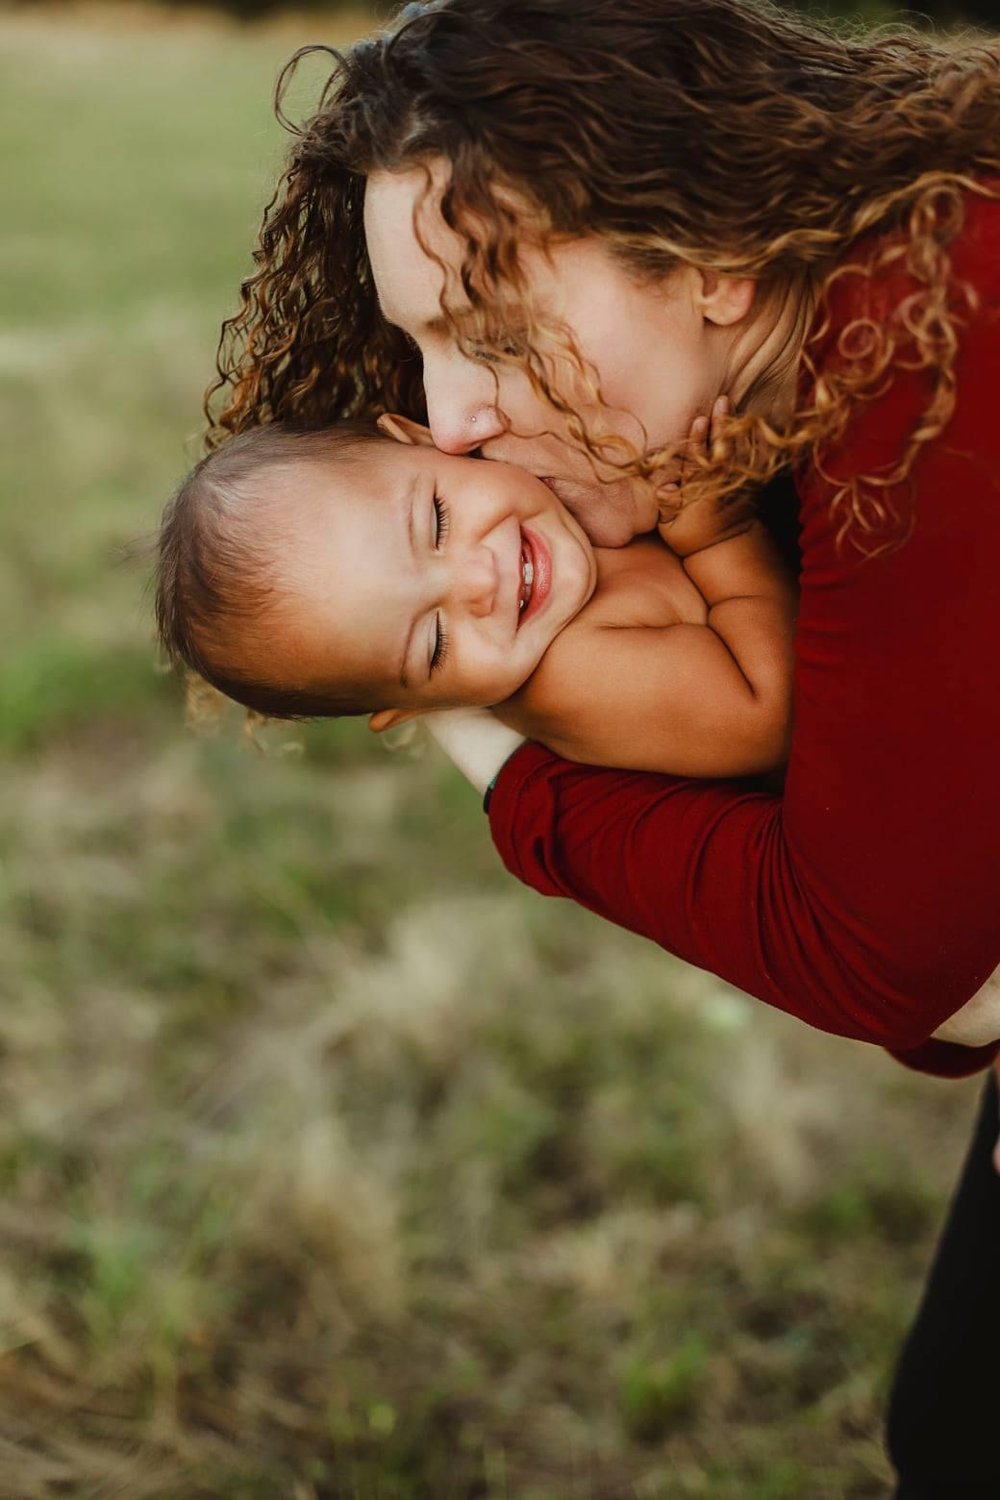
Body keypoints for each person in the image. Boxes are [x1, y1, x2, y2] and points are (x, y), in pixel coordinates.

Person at [203, 1, 1000, 1490]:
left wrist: (507, 771)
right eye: (422, 351)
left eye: (489, 332)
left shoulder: (939, 329)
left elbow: (908, 970)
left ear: (711, 261)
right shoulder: (788, 412)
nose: (451, 419)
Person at [155, 409, 799, 779]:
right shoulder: (571, 675)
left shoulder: (558, 475)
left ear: (422, 438)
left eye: (436, 520)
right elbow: (767, 716)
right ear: (419, 707)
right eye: (434, 643)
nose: (479, 581)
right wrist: (722, 538)